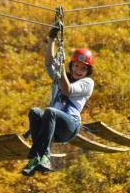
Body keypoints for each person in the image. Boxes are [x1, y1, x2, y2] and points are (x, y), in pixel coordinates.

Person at [21, 27, 95, 176]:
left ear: (87, 71)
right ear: (72, 65)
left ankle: (45, 157)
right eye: (76, 66)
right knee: (35, 112)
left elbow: (67, 90)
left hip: (69, 126)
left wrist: (60, 68)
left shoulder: (87, 83)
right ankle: (36, 158)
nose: (78, 70)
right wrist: (51, 40)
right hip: (52, 125)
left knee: (50, 112)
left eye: (83, 68)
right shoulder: (60, 77)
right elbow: (48, 64)